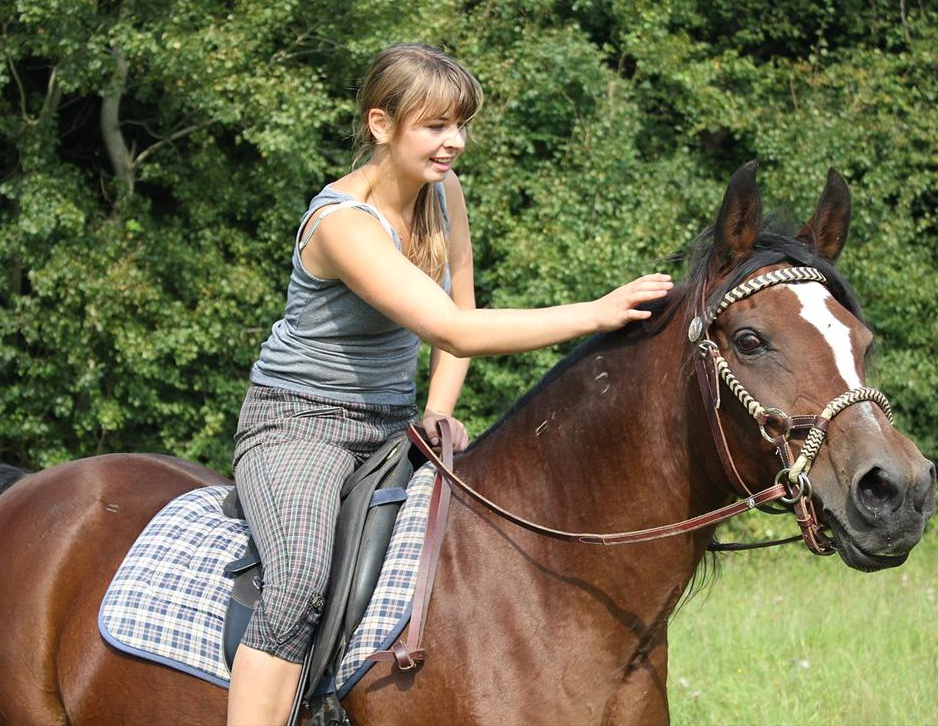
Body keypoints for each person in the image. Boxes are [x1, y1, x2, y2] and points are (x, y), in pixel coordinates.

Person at [226, 43, 673, 725]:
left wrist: (436, 410)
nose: (454, 143)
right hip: (298, 424)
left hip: (390, 422)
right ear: (381, 124)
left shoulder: (443, 193)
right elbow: (455, 331)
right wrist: (597, 313)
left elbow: (458, 308)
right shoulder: (342, 224)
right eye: (435, 126)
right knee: (298, 582)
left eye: (461, 125)